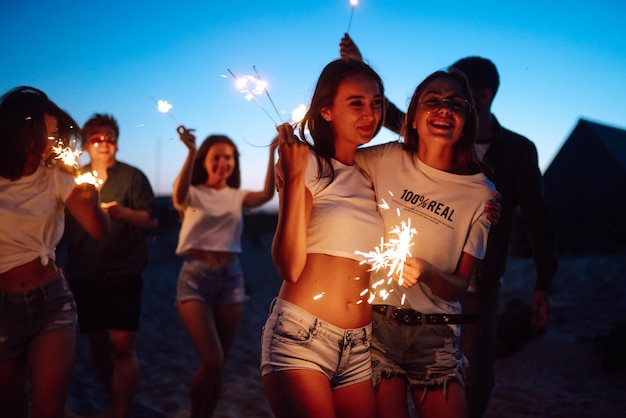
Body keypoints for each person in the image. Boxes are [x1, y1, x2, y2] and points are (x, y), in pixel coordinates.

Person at [340, 34, 558, 418]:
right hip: (393, 304)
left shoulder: (514, 154)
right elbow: (395, 118)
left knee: (475, 374)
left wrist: (544, 282)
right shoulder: (406, 149)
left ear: (481, 98)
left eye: (459, 96)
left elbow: (537, 217)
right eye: (435, 98)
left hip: (478, 285)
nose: (445, 106)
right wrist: (360, 66)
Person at [356, 70, 495, 418]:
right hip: (376, 328)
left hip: (436, 335)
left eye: (456, 104)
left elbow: (459, 288)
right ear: (413, 118)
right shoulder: (382, 159)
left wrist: (428, 272)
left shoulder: (482, 194)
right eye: (432, 100)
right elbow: (330, 167)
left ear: (467, 123)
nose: (444, 108)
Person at [261, 58, 385, 418]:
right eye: (356, 103)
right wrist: (295, 178)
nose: (370, 113)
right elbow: (289, 265)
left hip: (361, 346)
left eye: (376, 102)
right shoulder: (311, 164)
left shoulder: (373, 172)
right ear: (327, 111)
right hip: (302, 337)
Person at [0, 86, 110, 418]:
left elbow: (99, 230)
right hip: (2, 309)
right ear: (18, 133)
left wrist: (92, 200)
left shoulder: (57, 177)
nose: (52, 146)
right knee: (11, 406)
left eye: (55, 137)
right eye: (43, 137)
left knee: (49, 408)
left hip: (52, 302)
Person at [172, 126, 277, 418]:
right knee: (213, 361)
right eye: (216, 157)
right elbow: (178, 197)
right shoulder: (191, 193)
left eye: (228, 158)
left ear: (235, 162)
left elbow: (268, 193)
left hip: (231, 279)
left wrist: (272, 150)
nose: (222, 163)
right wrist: (190, 151)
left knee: (220, 364)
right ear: (205, 160)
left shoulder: (237, 196)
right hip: (195, 278)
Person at [62, 113, 157, 418]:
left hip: (124, 273)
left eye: (110, 137)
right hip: (83, 274)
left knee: (122, 345)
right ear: (86, 144)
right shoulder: (71, 178)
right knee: (98, 345)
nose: (104, 143)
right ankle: (114, 401)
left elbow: (151, 221)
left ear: (117, 143)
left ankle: (120, 410)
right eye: (97, 138)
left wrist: (122, 214)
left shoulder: (133, 177)